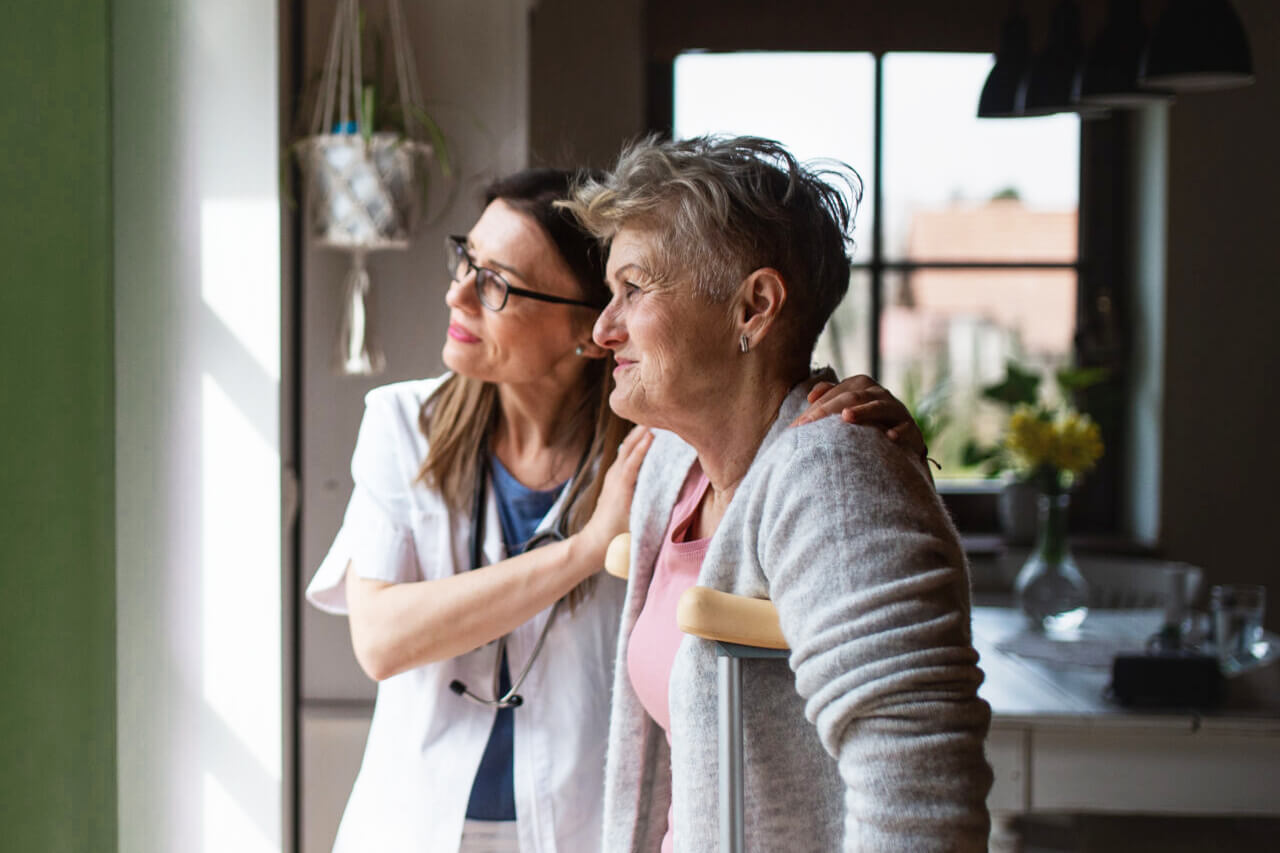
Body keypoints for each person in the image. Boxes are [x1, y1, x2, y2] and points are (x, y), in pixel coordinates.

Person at [304, 167, 929, 853]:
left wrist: (866, 429)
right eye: (466, 260)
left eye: (496, 283)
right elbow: (382, 639)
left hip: (578, 827)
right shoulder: (402, 423)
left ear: (581, 325)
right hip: (415, 823)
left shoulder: (660, 451)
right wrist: (585, 546)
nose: (458, 293)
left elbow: (778, 465)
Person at [562, 136, 994, 852]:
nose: (604, 329)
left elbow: (921, 793)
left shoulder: (836, 474)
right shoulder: (674, 466)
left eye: (633, 290)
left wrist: (861, 472)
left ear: (753, 307)